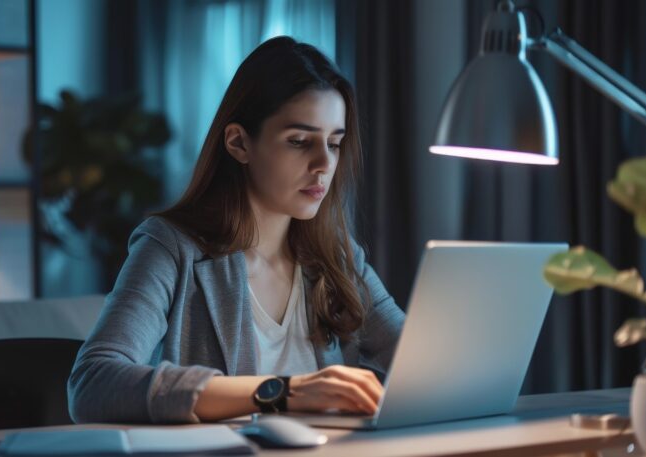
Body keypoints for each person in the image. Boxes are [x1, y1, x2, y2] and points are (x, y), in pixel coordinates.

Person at [68, 36, 405, 424]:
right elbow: (92, 383)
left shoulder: (338, 257)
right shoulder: (170, 248)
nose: (324, 164)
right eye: (299, 142)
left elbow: (416, 359)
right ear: (239, 143)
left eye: (334, 143)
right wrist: (282, 393)